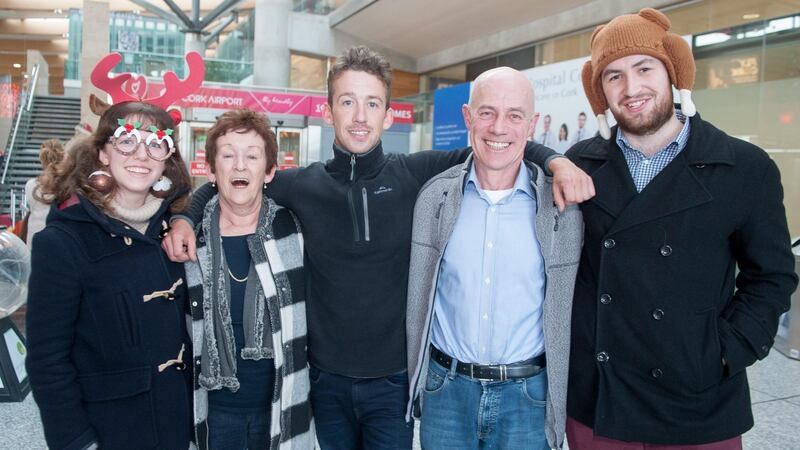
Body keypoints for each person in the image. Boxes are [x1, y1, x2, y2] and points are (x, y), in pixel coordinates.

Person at [164, 45, 594, 450]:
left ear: (389, 116)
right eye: (347, 101)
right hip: (324, 381)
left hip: (394, 383)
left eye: (372, 103)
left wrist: (555, 161)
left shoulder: (418, 174)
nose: (359, 116)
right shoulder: (302, 185)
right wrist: (185, 215)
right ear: (329, 110)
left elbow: (496, 144)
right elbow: (230, 186)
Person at [565, 8, 798, 449]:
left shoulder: (744, 167)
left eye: (643, 67)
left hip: (699, 398)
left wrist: (728, 351)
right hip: (600, 398)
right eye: (613, 76)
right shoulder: (578, 164)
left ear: (672, 71)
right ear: (599, 90)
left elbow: (771, 277)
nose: (631, 88)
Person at [406, 67, 583, 450]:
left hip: (528, 398)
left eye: (514, 115)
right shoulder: (434, 199)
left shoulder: (561, 208)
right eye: (487, 113)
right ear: (468, 117)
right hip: (446, 393)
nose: (499, 128)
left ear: (532, 124)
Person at [25, 100, 194, 450]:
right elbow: (47, 360)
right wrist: (76, 442)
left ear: (167, 158)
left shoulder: (173, 230)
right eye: (127, 140)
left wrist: (183, 219)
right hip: (110, 433)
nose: (142, 154)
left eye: (156, 144)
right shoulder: (62, 242)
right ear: (103, 152)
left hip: (178, 428)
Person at [183, 109, 313, 450]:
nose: (240, 166)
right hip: (212, 413)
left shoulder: (295, 231)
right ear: (211, 169)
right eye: (228, 155)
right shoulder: (187, 240)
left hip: (282, 408)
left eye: (252, 156)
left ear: (269, 171)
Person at [25, 139, 65, 246]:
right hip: (59, 238)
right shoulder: (68, 184)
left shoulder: (30, 185)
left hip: (34, 237)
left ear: (41, 159)